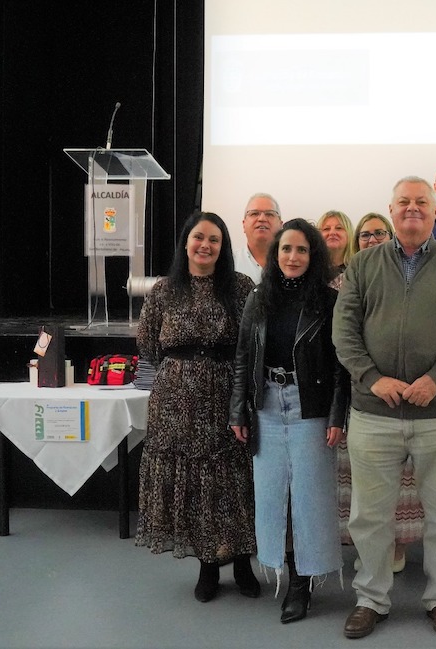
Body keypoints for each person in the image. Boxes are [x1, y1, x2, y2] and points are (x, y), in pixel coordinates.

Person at [333, 176, 436, 639]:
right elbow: (345, 333)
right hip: (375, 411)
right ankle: (371, 598)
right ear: (391, 210)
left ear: (435, 212)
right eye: (404, 202)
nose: (413, 209)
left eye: (422, 202)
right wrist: (375, 381)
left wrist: (434, 379)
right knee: (369, 514)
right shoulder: (362, 266)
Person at [228, 219, 350, 624]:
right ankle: (280, 567)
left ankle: (302, 583)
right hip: (265, 405)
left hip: (309, 407)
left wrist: (336, 414)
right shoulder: (259, 299)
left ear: (313, 256)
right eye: (286, 249)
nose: (293, 257)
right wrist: (238, 409)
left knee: (311, 499)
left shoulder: (328, 303)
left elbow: (339, 367)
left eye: (301, 250)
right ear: (275, 255)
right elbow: (244, 358)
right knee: (271, 497)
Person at [136, 211, 258, 603]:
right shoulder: (164, 290)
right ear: (186, 242)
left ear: (223, 248)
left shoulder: (240, 287)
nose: (205, 245)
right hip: (175, 404)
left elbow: (252, 343)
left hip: (228, 397)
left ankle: (242, 562)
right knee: (196, 486)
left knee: (233, 481)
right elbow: (149, 345)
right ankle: (207, 565)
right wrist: (184, 371)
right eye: (199, 237)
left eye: (215, 240)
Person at [339, 211, 424, 572]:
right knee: (367, 487)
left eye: (379, 233)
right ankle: (371, 553)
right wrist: (372, 378)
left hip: (413, 396)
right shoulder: (349, 279)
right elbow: (345, 335)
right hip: (364, 395)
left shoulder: (413, 274)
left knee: (405, 483)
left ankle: (397, 548)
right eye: (364, 235)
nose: (371, 239)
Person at [237, 193, 284, 283]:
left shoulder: (291, 263)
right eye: (254, 214)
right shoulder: (230, 263)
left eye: (269, 214)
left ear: (281, 225)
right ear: (244, 225)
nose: (262, 219)